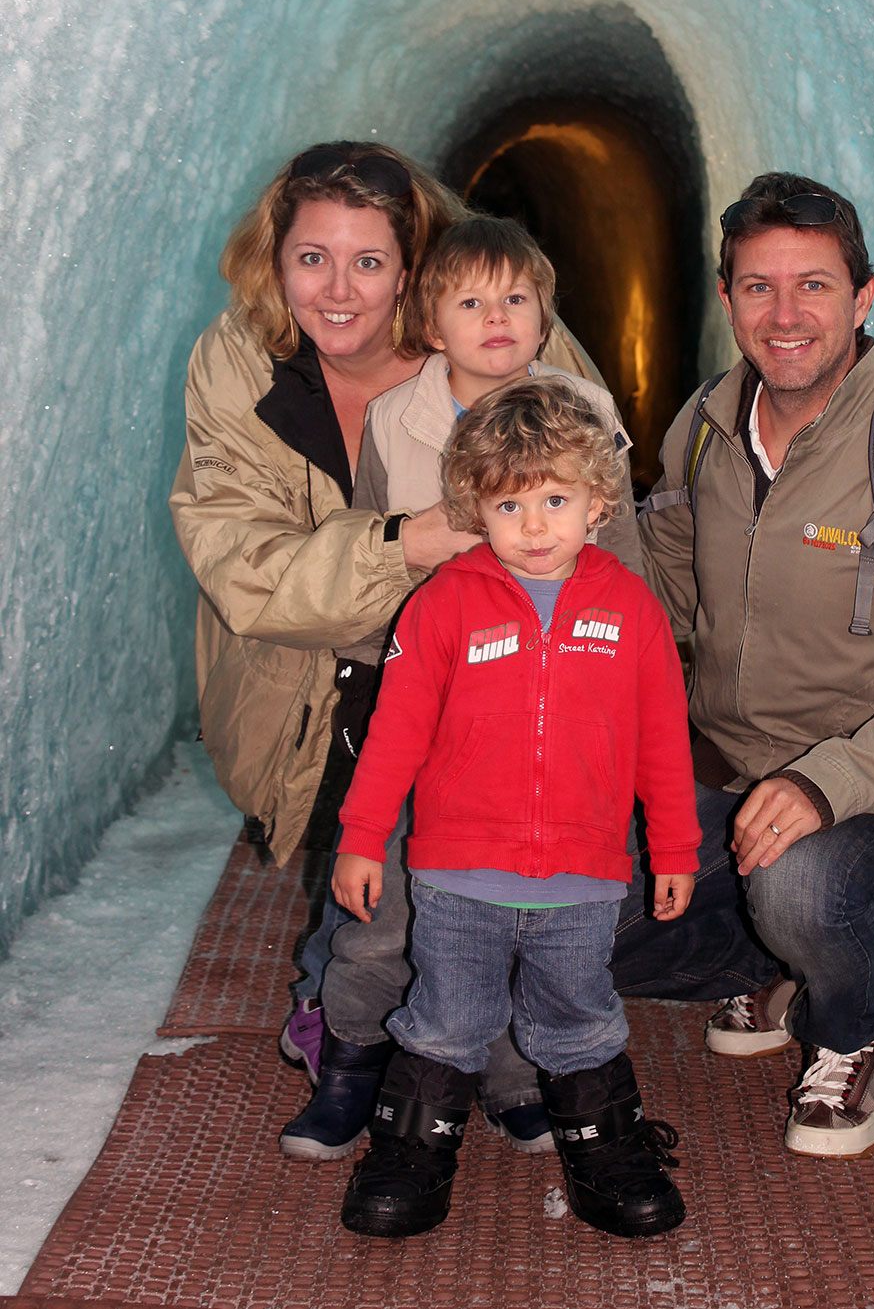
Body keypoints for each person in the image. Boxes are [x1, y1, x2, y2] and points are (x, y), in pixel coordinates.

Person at [168, 141, 604, 1086]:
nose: (337, 290)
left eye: (368, 261)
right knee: (393, 852)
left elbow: (591, 495)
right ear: (272, 260)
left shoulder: (498, 327)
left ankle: (464, 1024)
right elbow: (241, 563)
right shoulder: (238, 361)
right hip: (310, 684)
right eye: (310, 257)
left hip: (492, 664)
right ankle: (356, 1010)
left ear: (412, 270)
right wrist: (405, 542)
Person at [620, 171, 874, 1159]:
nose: (785, 313)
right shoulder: (704, 430)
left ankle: (849, 1025)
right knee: (574, 919)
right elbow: (658, 605)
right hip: (729, 767)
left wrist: (822, 782)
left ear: (863, 295)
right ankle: (767, 957)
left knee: (800, 883)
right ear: (726, 299)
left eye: (813, 284)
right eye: (758, 286)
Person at [280, 213, 645, 1160]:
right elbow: (366, 552)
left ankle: (514, 1074)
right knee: (387, 899)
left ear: (543, 314)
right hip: (423, 694)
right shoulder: (399, 419)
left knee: (524, 899)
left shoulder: (585, 409)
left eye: (516, 299)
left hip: (544, 708)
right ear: (429, 321)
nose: (497, 318)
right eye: (470, 301)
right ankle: (354, 1061)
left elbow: (626, 564)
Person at [333, 377, 699, 1240]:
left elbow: (662, 742)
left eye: (556, 499)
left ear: (599, 501)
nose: (534, 527)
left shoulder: (632, 611)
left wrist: (675, 848)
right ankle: (409, 1155)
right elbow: (395, 733)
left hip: (584, 873)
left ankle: (606, 1152)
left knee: (577, 1016)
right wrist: (360, 837)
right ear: (474, 509)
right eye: (508, 505)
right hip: (459, 873)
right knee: (447, 1016)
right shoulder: (445, 603)